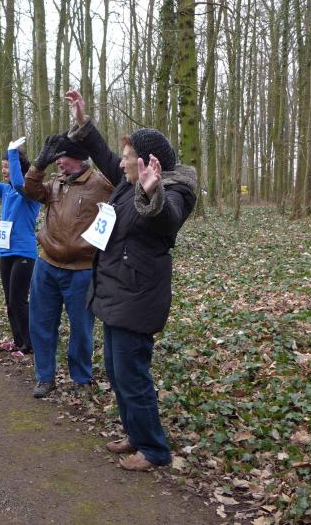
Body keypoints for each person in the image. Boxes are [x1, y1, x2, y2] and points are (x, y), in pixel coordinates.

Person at [64, 89, 197, 471]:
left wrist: (153, 192)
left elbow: (168, 219)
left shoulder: (175, 191)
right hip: (115, 291)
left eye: (127, 158)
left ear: (145, 164)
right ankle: (135, 434)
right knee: (117, 371)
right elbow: (105, 156)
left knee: (132, 375)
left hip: (137, 297)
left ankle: (154, 450)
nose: (119, 163)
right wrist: (83, 123)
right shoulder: (128, 180)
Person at [22, 132, 114, 398]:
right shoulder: (56, 183)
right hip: (47, 264)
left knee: (81, 329)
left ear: (76, 157)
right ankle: (44, 377)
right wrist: (38, 165)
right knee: (40, 323)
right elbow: (30, 191)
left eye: (60, 157)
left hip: (82, 270)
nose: (57, 162)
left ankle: (81, 378)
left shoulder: (101, 184)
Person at [0, 132, 40, 358]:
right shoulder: (5, 191)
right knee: (9, 300)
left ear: (17, 168)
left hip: (24, 252)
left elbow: (18, 181)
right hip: (5, 250)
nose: (4, 171)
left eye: (7, 167)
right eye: (2, 166)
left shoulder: (29, 192)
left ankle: (29, 344)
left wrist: (13, 154)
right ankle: (18, 340)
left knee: (18, 299)